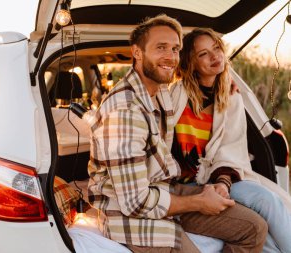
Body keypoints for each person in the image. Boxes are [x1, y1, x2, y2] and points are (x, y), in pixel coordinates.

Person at [88, 14, 268, 253]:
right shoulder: (125, 111)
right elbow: (135, 203)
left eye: (175, 49)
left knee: (253, 228)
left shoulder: (161, 92)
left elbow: (195, 88)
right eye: (161, 47)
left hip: (165, 189)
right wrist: (198, 203)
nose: (170, 57)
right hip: (130, 218)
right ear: (137, 52)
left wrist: (221, 85)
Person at [170, 27, 291, 253]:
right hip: (186, 186)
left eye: (216, 48)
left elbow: (231, 147)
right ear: (190, 63)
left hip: (219, 177)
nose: (214, 56)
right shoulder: (174, 96)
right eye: (203, 54)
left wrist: (224, 183)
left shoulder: (230, 98)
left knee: (268, 202)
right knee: (259, 224)